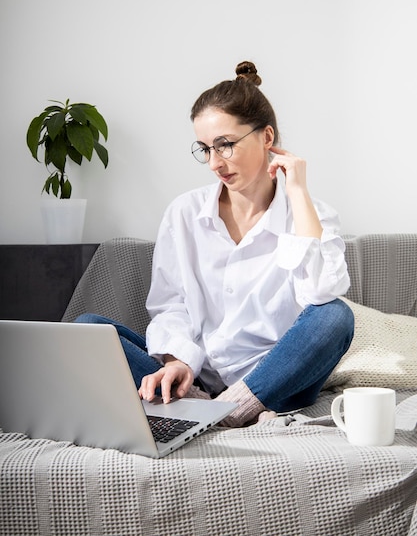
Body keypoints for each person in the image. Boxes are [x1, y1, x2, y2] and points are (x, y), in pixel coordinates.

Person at [77, 60, 354, 427]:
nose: (214, 163)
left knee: (337, 315)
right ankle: (203, 404)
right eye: (205, 148)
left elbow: (322, 293)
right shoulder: (184, 213)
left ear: (267, 138)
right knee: (88, 327)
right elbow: (170, 305)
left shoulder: (310, 215)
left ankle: (226, 412)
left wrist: (298, 191)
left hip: (279, 385)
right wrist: (178, 363)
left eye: (225, 145)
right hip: (198, 379)